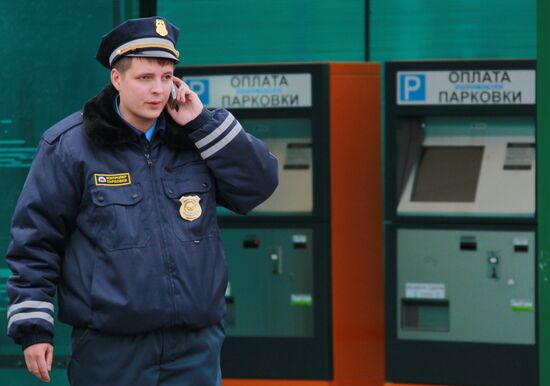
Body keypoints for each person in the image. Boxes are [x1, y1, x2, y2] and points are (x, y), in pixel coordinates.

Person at [5, 16, 278, 385]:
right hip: (111, 351)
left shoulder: (196, 138)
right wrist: (34, 329)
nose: (158, 90)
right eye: (145, 78)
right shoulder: (69, 146)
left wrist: (202, 124)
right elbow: (35, 240)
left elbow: (259, 185)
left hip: (195, 349)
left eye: (166, 77)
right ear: (117, 79)